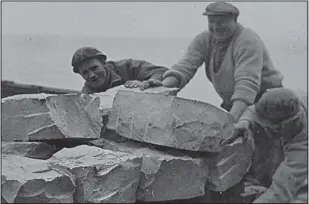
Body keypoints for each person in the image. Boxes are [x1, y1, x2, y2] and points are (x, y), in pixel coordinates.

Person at [143, 1, 284, 121]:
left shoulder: (247, 40)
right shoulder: (204, 39)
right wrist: (163, 87)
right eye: (212, 22)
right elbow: (184, 68)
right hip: (234, 102)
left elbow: (246, 85)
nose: (216, 27)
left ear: (235, 20)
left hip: (268, 103)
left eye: (222, 22)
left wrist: (231, 122)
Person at [234, 88, 308, 203]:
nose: (267, 132)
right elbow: (254, 111)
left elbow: (282, 190)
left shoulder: (303, 145)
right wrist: (245, 121)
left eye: (271, 130)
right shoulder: (286, 101)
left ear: (287, 125)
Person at [71, 46, 169, 93]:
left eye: (94, 68)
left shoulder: (127, 67)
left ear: (104, 63)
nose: (92, 75)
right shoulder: (86, 95)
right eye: (85, 73)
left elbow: (162, 72)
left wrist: (145, 83)